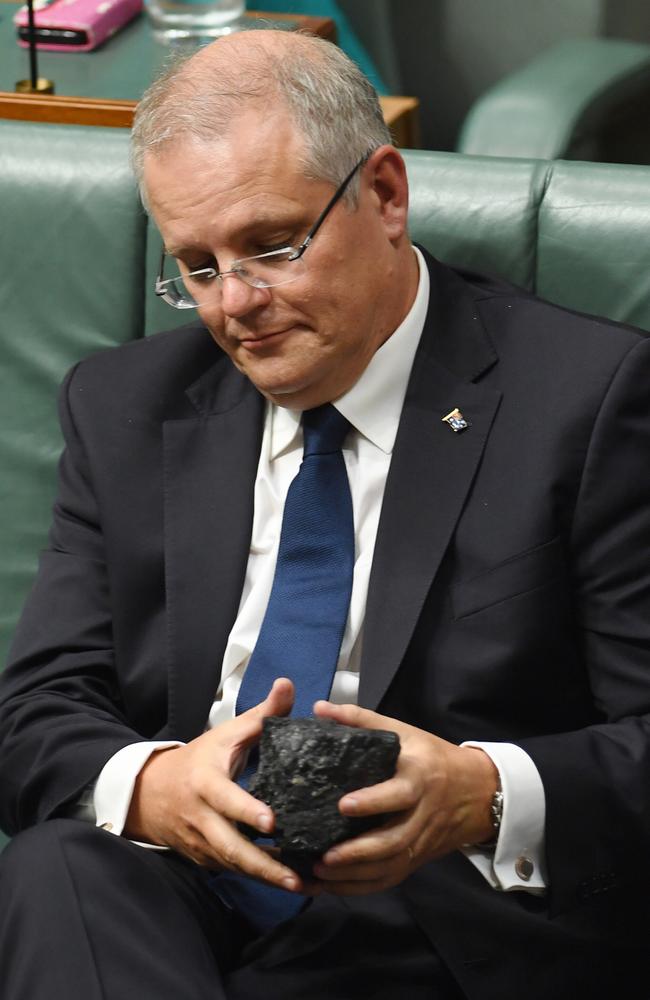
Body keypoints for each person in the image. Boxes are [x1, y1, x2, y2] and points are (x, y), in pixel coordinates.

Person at [1, 28, 650, 1000]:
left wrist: (479, 793)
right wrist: (155, 786)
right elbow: (36, 708)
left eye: (270, 246)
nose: (235, 304)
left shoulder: (585, 401)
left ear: (384, 194)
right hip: (182, 890)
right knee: (57, 868)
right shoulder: (123, 406)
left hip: (430, 913)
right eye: (199, 266)